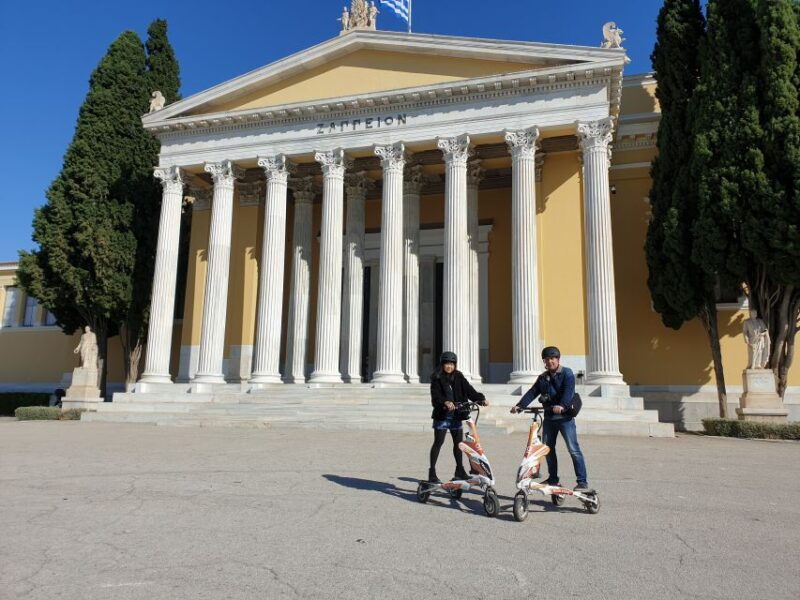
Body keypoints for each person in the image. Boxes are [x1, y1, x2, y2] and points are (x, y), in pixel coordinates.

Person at [510, 346, 589, 491]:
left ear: (558, 359)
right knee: (548, 449)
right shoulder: (543, 377)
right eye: (547, 359)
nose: (550, 361)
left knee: (573, 449)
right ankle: (553, 479)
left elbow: (568, 391)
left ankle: (582, 481)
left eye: (552, 358)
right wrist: (520, 405)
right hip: (550, 418)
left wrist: (562, 405)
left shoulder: (567, 373)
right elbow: (532, 392)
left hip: (565, 418)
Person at [428, 351, 488, 483]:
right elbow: (436, 397)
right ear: (442, 364)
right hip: (442, 416)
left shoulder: (459, 377)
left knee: (458, 444)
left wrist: (481, 399)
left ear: (455, 365)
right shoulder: (437, 378)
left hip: (456, 415)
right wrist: (445, 402)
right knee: (438, 443)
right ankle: (432, 472)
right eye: (446, 364)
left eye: (451, 364)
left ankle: (459, 470)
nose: (449, 366)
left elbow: (469, 390)